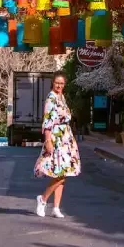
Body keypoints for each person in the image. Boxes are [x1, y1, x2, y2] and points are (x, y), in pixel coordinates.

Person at [34, 72, 81, 218]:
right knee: (59, 173)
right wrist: (48, 141)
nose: (59, 86)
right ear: (52, 83)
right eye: (57, 83)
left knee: (63, 173)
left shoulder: (61, 97)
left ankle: (56, 207)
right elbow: (48, 122)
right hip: (56, 138)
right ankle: (42, 199)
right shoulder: (51, 99)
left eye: (61, 83)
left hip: (66, 138)